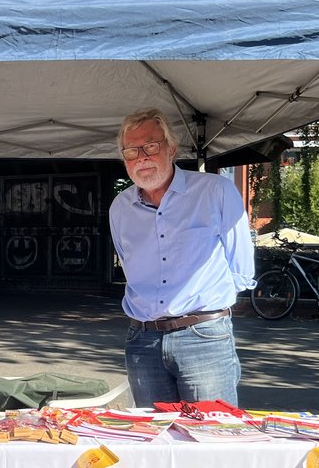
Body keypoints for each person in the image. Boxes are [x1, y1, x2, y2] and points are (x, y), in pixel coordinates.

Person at [109, 109, 255, 408]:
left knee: (213, 438)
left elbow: (241, 269)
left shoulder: (216, 191)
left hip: (203, 337)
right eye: (131, 151)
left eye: (151, 146)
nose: (142, 157)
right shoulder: (120, 208)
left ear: (171, 148)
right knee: (156, 442)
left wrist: (203, 305)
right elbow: (127, 264)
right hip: (142, 340)